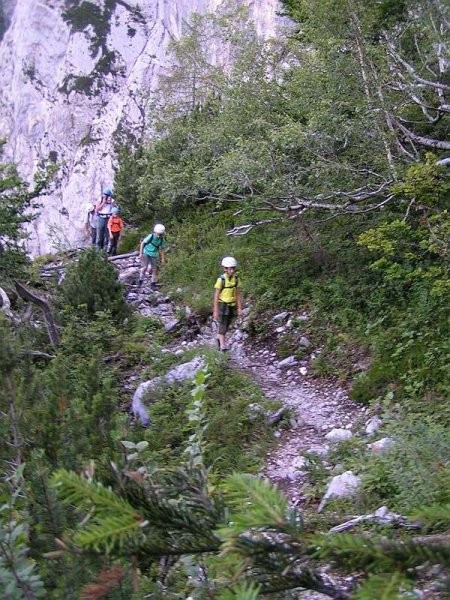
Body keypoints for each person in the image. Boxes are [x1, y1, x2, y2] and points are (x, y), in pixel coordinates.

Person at [213, 256, 243, 352]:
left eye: (233, 268)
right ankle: (222, 346)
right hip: (223, 305)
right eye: (230, 268)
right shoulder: (221, 280)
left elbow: (238, 294)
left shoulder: (236, 280)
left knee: (229, 323)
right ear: (225, 269)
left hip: (232, 305)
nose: (232, 270)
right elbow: (216, 295)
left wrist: (239, 308)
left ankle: (219, 337)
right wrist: (216, 310)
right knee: (223, 324)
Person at [138, 223, 167, 290]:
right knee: (145, 267)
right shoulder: (150, 236)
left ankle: (152, 283)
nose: (159, 235)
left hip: (154, 254)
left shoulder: (162, 239)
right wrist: (140, 253)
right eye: (158, 233)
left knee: (154, 269)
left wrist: (162, 259)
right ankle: (140, 280)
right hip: (146, 253)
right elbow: (143, 243)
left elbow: (162, 249)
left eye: (160, 234)